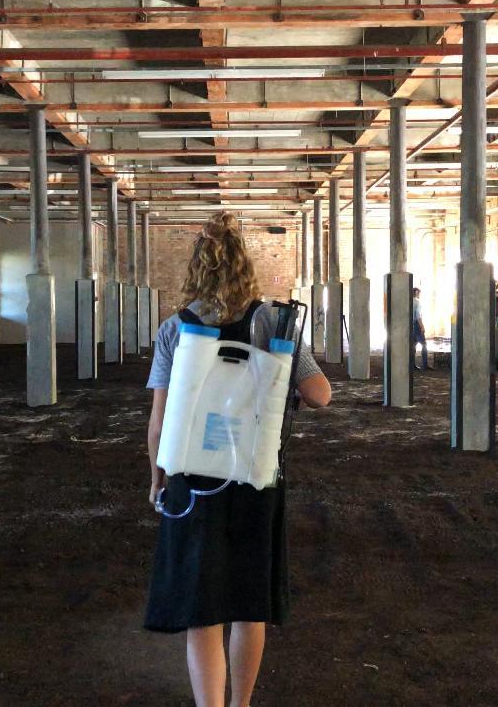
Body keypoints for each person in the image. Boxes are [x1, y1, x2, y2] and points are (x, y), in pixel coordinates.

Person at [144, 212, 332, 707]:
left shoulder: (174, 328)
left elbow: (159, 421)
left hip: (191, 481)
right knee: (249, 605)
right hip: (254, 476)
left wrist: (157, 479)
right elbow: (320, 394)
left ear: (195, 267)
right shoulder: (271, 322)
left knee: (202, 610)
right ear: (245, 264)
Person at [411, 287, 429, 371]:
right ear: (416, 293)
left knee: (413, 345)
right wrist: (422, 326)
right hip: (416, 325)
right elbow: (418, 315)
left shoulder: (408, 302)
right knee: (424, 345)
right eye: (419, 293)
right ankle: (425, 365)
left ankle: (412, 365)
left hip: (410, 326)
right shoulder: (417, 302)